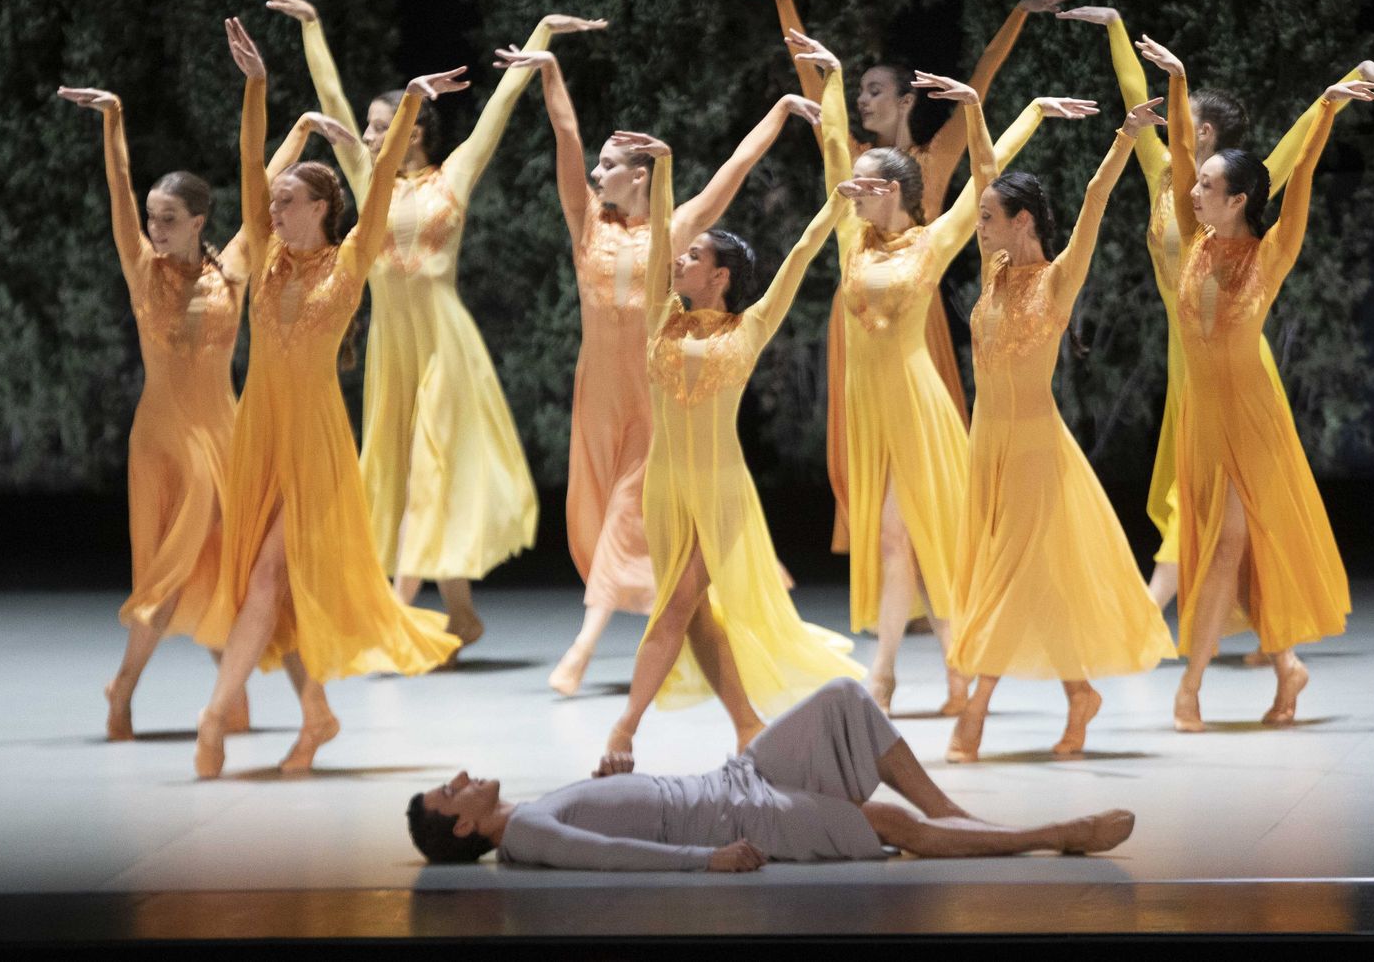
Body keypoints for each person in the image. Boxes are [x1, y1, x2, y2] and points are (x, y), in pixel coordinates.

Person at [253, 0, 607, 653]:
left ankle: (390, 615)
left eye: (380, 125)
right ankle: (460, 614)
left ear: (413, 129)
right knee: (402, 472)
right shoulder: (366, 176)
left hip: (445, 345)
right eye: (366, 127)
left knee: (432, 465)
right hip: (394, 346)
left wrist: (541, 36)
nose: (365, 134)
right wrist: (311, 27)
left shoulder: (454, 175)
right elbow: (329, 103)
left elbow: (499, 109)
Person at [1056, 4, 1374, 618]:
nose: (1166, 126)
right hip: (1185, 350)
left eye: (1182, 121)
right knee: (1194, 490)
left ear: (1207, 136)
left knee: (1245, 488)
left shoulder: (1236, 189)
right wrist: (1116, 26)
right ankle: (1253, 616)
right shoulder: (1161, 176)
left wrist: (1349, 82)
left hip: (1234, 353)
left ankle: (1157, 612)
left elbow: (1302, 142)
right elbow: (1135, 94)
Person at [494, 43, 824, 696]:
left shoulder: (675, 231)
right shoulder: (586, 223)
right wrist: (552, 73)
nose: (595, 173)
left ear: (640, 175)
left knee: (625, 513)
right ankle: (695, 627)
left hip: (654, 398)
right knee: (599, 519)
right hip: (596, 398)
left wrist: (783, 109)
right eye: (599, 163)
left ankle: (582, 653)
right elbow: (565, 134)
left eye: (610, 166)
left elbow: (735, 168)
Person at [189, 18, 464, 778]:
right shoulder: (270, 255)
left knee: (274, 574)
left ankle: (214, 717)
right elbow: (250, 158)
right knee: (268, 588)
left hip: (312, 444)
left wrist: (408, 105)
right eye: (270, 204)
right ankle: (316, 716)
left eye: (285, 203)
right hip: (260, 437)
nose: (271, 212)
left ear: (319, 207)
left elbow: (378, 192)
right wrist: (256, 87)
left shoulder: (349, 265)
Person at [788, 31, 1093, 715]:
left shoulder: (931, 242)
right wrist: (831, 77)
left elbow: (986, 174)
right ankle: (906, 673)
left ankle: (916, 672)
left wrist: (1034, 113)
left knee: (929, 539)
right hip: (871, 412)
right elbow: (836, 143)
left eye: (867, 188)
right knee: (899, 540)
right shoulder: (848, 236)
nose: (852, 191)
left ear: (895, 192)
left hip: (919, 408)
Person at [728, 0, 1075, 560]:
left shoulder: (935, 155)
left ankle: (936, 560)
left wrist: (1018, 14)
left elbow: (982, 86)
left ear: (907, 98)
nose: (862, 100)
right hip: (860, 306)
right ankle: (895, 573)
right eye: (859, 91)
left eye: (874, 90)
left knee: (928, 447)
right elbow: (818, 90)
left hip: (915, 309)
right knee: (865, 451)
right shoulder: (856, 165)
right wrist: (785, 2)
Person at [58, 85, 351, 741]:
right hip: (163, 444)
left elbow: (263, 185)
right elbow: (119, 188)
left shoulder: (235, 267)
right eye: (153, 219)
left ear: (198, 221)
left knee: (230, 572)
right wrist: (113, 119)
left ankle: (228, 692)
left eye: (168, 220)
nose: (155, 230)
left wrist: (300, 129)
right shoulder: (141, 267)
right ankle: (124, 687)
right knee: (166, 576)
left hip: (224, 438)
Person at [1135, 33, 1374, 730]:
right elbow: (1181, 153)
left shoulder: (1270, 253)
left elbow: (1301, 175)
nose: (1194, 191)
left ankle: (1190, 688)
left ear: (1240, 198)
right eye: (1197, 184)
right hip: (1203, 421)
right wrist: (1179, 80)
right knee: (1235, 553)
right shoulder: (1192, 238)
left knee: (1223, 549)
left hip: (1251, 419)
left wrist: (1330, 111)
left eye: (1209, 188)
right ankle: (1287, 666)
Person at [600, 128, 864, 757]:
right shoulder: (659, 316)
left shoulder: (751, 326)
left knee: (675, 607)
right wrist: (663, 166)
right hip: (665, 488)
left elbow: (799, 254)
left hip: (720, 490)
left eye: (694, 258)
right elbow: (660, 236)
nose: (679, 261)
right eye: (682, 256)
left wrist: (835, 206)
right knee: (690, 615)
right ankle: (746, 723)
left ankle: (623, 731)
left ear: (720, 275)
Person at [937, 80, 1177, 760]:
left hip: (1037, 447)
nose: (977, 226)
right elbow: (987, 169)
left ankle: (974, 712)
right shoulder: (993, 269)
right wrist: (977, 107)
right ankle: (1079, 696)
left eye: (988, 217)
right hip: (987, 446)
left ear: (1022, 221)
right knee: (1022, 574)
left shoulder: (1058, 276)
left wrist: (1126, 139)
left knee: (1009, 572)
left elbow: (1097, 200)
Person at [407, 678, 1136, 868]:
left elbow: (617, 818)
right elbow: (612, 854)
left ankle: (965, 818)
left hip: (732, 779)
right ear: (465, 825)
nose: (464, 776)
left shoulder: (534, 810)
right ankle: (1051, 835)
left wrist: (605, 779)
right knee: (886, 825)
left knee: (845, 700)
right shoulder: (528, 832)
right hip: (735, 820)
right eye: (452, 789)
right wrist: (705, 861)